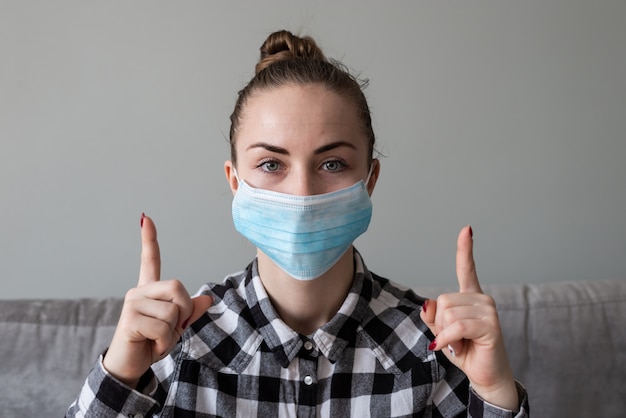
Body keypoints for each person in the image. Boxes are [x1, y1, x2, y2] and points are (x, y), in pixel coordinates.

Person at [67, 30, 528, 417]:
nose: (302, 193)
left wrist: (494, 389)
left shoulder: (433, 347)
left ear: (370, 179)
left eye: (331, 164)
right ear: (235, 181)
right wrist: (120, 373)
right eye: (271, 164)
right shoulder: (176, 346)